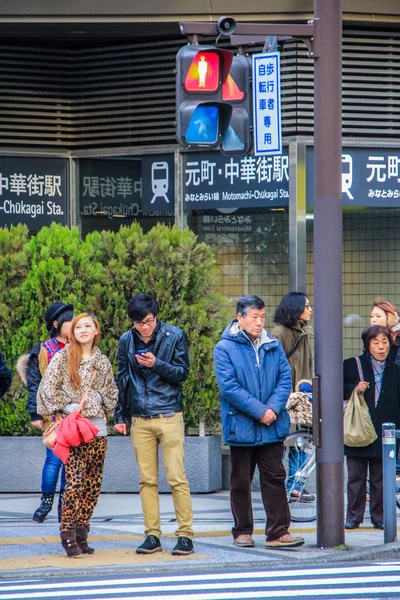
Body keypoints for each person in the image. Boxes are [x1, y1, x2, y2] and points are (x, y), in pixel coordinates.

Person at [214, 294, 304, 549]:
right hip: (242, 425)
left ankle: (278, 531)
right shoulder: (224, 347)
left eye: (262, 317)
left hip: (271, 424)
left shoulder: (272, 345)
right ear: (239, 317)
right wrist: (260, 411)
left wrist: (273, 409)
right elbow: (229, 387)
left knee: (275, 477)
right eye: (254, 317)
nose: (259, 322)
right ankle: (242, 531)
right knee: (240, 481)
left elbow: (285, 379)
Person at [114, 293, 194, 556]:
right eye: (139, 323)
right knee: (147, 481)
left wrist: (156, 364)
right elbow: (122, 380)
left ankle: (184, 534)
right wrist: (120, 416)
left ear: (156, 317)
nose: (144, 327)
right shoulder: (126, 341)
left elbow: (182, 373)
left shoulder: (174, 335)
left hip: (169, 414)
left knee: (176, 478)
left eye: (148, 321)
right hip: (139, 418)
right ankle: (152, 535)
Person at [37, 312, 118, 557]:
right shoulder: (63, 357)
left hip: (98, 430)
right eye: (79, 326)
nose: (83, 330)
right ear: (73, 332)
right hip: (73, 430)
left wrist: (98, 400)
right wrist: (67, 408)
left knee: (92, 486)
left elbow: (112, 393)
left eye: (88, 326)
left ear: (96, 331)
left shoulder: (102, 361)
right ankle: (68, 534)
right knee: (74, 483)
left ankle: (82, 533)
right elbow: (47, 389)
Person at [343, 325, 400, 530]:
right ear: (367, 345)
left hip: (386, 431)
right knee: (355, 477)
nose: (381, 347)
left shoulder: (395, 370)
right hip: (359, 429)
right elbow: (338, 390)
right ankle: (353, 516)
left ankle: (380, 517)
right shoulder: (352, 365)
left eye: (385, 342)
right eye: (375, 342)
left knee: (381, 478)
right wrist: (354, 388)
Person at [24, 302, 74, 523]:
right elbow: (34, 382)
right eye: (70, 321)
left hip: (75, 415)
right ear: (57, 324)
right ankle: (46, 502)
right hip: (53, 416)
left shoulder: (79, 347)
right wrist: (35, 413)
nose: (74, 325)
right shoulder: (44, 349)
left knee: (71, 462)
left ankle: (65, 503)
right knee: (53, 461)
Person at [271, 291, 314, 502]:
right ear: (296, 308)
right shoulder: (278, 333)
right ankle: (278, 488)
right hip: (284, 397)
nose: (310, 310)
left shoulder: (303, 332)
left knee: (301, 440)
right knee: (283, 441)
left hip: (301, 398)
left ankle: (296, 486)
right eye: (307, 306)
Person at [370, 299, 400, 365]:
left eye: (378, 316)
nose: (373, 320)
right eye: (371, 316)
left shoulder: (397, 337)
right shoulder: (370, 336)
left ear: (390, 318)